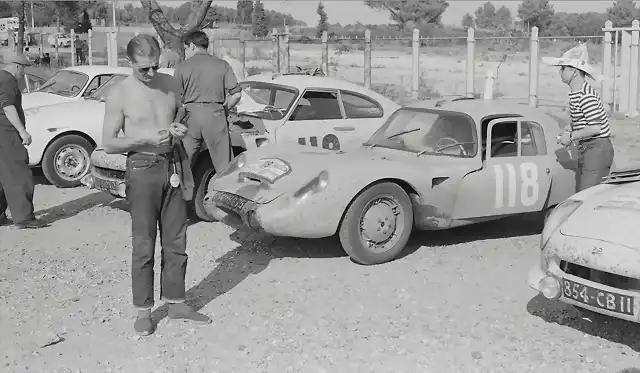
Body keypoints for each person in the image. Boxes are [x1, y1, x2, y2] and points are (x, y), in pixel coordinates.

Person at [101, 34, 210, 336]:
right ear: (129, 63)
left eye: (155, 66)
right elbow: (108, 143)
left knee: (177, 240)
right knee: (144, 243)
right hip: (142, 168)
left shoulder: (170, 84)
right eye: (143, 69)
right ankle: (143, 311)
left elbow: (180, 119)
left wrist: (179, 129)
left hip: (172, 164)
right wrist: (146, 139)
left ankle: (175, 303)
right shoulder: (119, 93)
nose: (151, 74)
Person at [543, 43, 614, 192]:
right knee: (583, 193)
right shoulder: (577, 93)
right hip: (588, 147)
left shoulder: (585, 95)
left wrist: (571, 136)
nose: (559, 72)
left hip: (597, 148)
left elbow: (595, 128)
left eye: (562, 68)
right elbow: (586, 122)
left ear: (574, 71)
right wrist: (571, 128)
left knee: (587, 196)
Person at [173, 30, 242, 172]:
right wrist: (225, 109)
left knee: (183, 165)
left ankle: (179, 192)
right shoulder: (222, 65)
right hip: (216, 115)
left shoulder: (182, 66)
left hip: (190, 116)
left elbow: (175, 97)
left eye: (186, 49)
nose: (186, 53)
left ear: (192, 45)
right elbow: (236, 94)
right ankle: (224, 192)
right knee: (225, 167)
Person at [0, 53, 47, 229]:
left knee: (2, 175)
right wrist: (21, 130)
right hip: (7, 133)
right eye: (23, 68)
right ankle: (24, 218)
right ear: (16, 66)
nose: (24, 73)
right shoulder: (8, 80)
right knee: (18, 175)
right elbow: (8, 106)